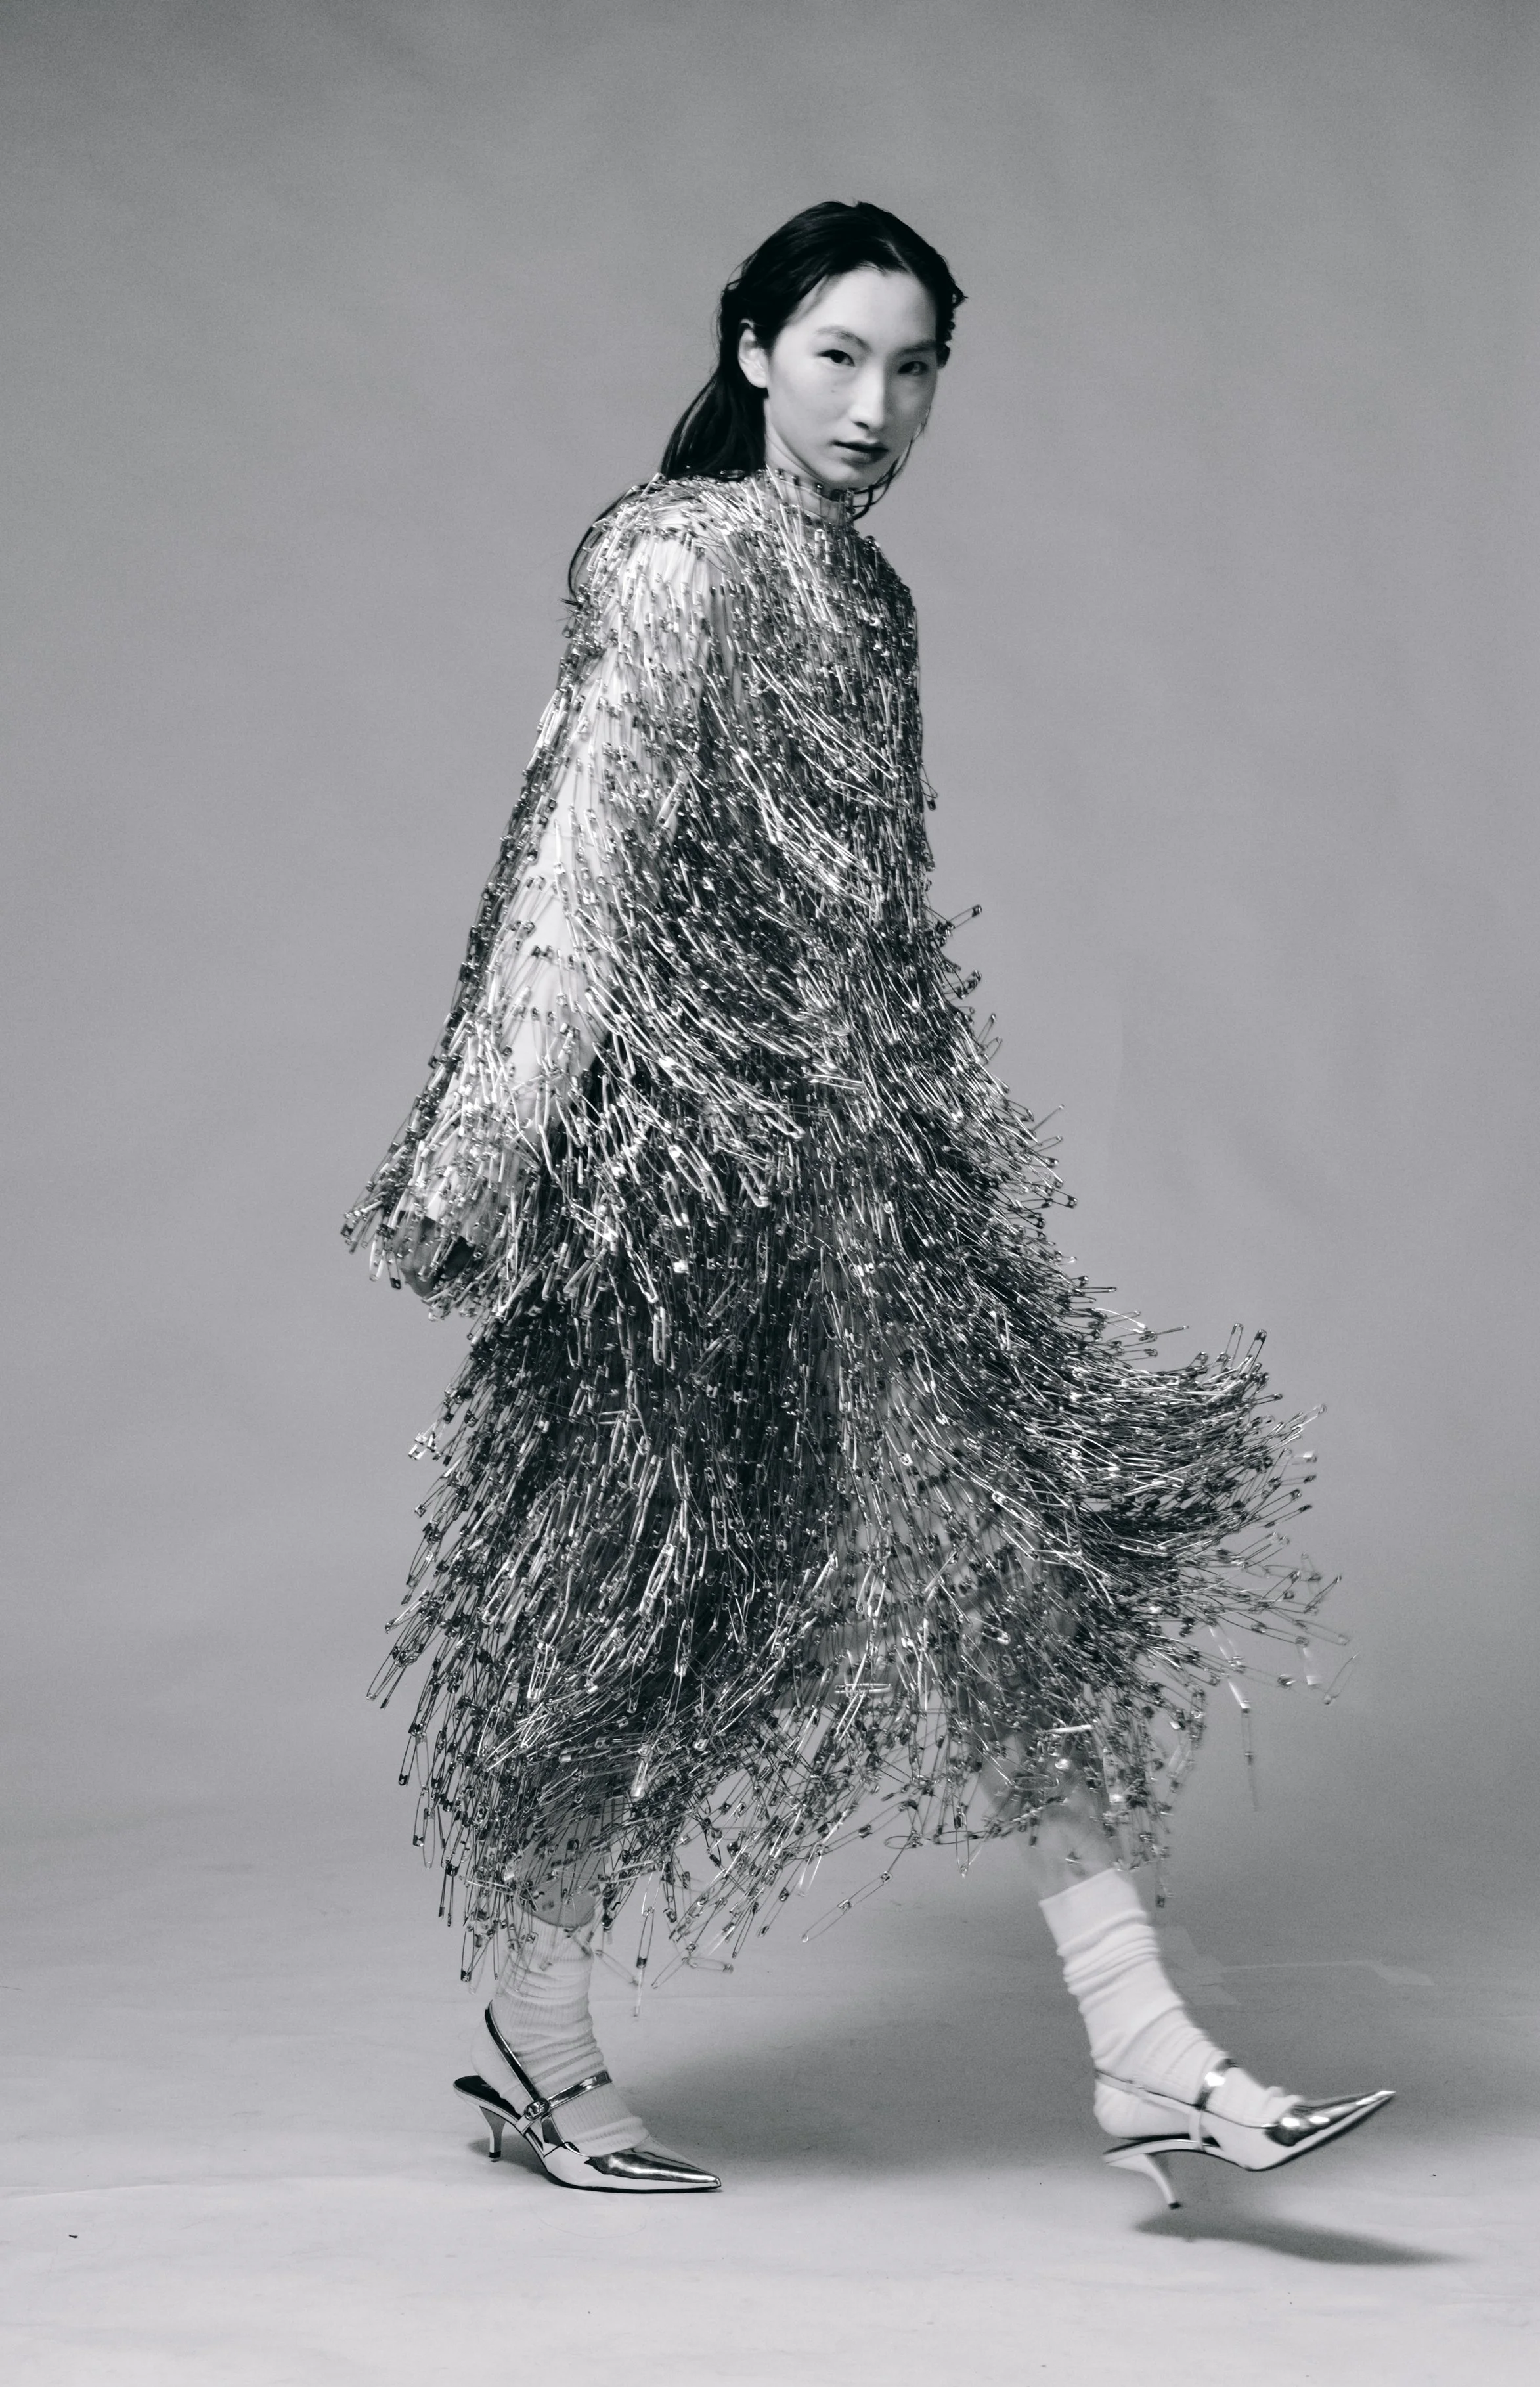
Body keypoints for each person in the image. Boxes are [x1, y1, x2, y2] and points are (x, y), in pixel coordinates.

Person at [345, 200, 1392, 2204]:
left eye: (913, 368)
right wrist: (482, 1141)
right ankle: (545, 2049)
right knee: (625, 1625)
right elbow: (575, 845)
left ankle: (1148, 2051)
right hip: (681, 1195)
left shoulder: (872, 595)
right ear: (749, 348)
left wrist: (922, 1155)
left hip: (871, 1190)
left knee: (1016, 1569)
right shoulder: (670, 550)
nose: (875, 405)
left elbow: (870, 925)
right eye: (835, 354)